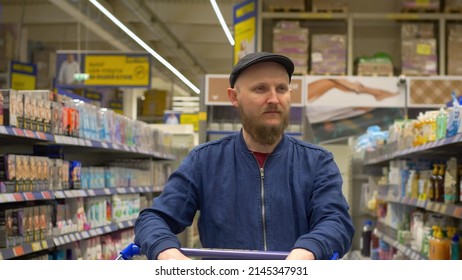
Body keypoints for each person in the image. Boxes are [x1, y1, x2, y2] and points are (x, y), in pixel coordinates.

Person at [134, 52, 355, 260]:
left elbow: (336, 221)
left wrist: (309, 248)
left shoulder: (317, 162)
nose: (274, 99)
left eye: (281, 88)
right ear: (234, 97)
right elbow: (154, 219)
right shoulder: (205, 161)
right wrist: (166, 250)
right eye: (260, 89)